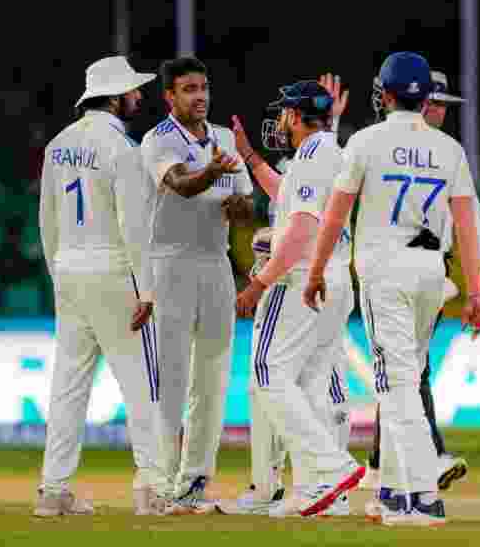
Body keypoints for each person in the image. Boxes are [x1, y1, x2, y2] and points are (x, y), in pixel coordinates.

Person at [303, 52, 480, 527]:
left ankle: (424, 498)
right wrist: (476, 292)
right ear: (426, 96)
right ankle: (391, 494)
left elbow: (335, 214)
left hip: (385, 271)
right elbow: (466, 224)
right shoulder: (449, 149)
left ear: (384, 94)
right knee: (404, 379)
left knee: (399, 384)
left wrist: (317, 269)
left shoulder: (365, 141)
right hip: (432, 273)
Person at [359, 69, 480, 493]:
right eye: (436, 103)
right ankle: (427, 458)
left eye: (445, 105)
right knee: (408, 372)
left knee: (404, 372)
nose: (441, 112)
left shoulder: (446, 152)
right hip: (388, 267)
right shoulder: (386, 145)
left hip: (428, 270)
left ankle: (378, 465)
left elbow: (469, 214)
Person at [219, 76, 358, 517]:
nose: (280, 120)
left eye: (284, 113)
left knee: (268, 373)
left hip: (301, 281)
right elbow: (287, 193)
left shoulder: (313, 155)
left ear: (298, 116)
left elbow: (299, 230)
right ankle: (324, 490)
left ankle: (332, 468)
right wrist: (250, 157)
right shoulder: (329, 153)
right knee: (312, 382)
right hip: (337, 279)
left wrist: (260, 282)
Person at [35, 55, 161, 516]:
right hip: (113, 272)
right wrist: (146, 290)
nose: (139, 96)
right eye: (133, 91)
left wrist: (57, 275)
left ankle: (53, 491)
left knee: (67, 387)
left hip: (69, 272)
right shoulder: (122, 151)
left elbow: (47, 220)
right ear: (115, 97)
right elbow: (134, 226)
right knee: (141, 384)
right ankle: (152, 487)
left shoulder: (57, 145)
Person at [138, 56, 253, 514]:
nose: (200, 96)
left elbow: (244, 208)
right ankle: (161, 482)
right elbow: (180, 184)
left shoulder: (223, 138)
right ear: (170, 96)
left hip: (215, 261)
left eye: (204, 87)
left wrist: (238, 204)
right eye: (188, 89)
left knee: (213, 376)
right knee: (172, 376)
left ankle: (194, 483)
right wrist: (214, 173)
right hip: (170, 263)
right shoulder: (158, 139)